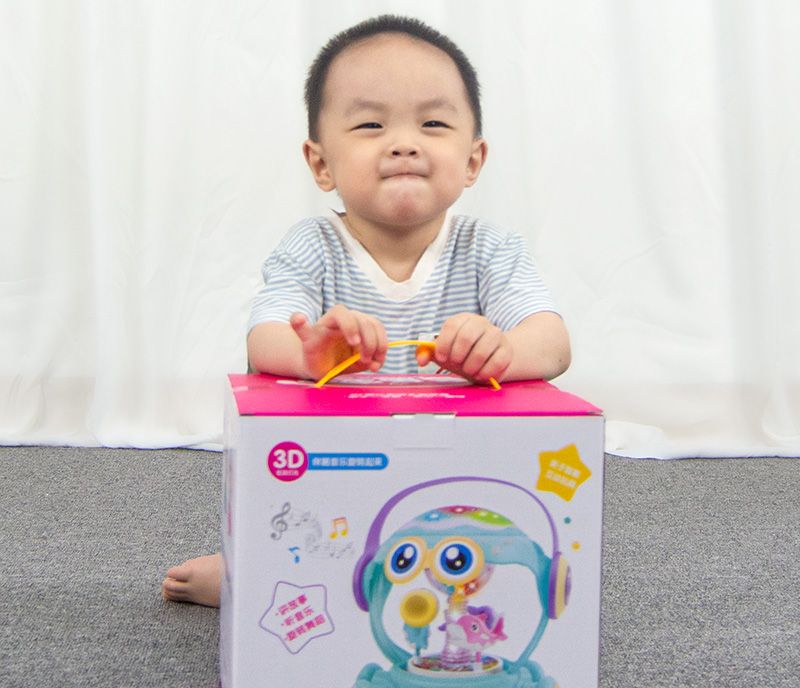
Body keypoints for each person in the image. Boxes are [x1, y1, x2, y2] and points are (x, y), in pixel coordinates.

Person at [162, 15, 570, 608]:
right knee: (300, 524)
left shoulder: (489, 249)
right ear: (321, 163)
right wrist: (311, 353)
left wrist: (502, 349)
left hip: (456, 467)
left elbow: (553, 343)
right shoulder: (312, 246)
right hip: (343, 462)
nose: (403, 143)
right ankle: (249, 568)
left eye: (433, 123)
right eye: (371, 124)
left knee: (477, 550)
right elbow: (264, 336)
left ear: (473, 159)